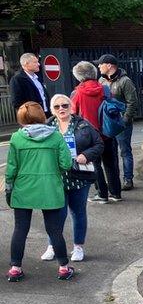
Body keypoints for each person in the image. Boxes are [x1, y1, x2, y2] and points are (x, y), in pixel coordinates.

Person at [6, 102, 73, 282]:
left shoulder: (16, 138)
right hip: (50, 188)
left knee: (20, 229)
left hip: (23, 187)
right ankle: (64, 268)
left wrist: (9, 186)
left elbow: (11, 168)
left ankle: (15, 268)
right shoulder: (56, 137)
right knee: (54, 230)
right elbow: (66, 164)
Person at [40, 93, 103, 263]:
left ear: (71, 107)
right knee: (56, 215)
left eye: (65, 105)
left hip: (78, 177)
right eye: (57, 107)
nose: (61, 109)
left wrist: (86, 155)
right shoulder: (47, 127)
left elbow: (99, 144)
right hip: (56, 178)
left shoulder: (83, 124)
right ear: (52, 110)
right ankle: (52, 246)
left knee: (78, 213)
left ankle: (78, 247)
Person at [68, 61, 116, 205]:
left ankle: (102, 194)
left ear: (79, 77)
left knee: (95, 164)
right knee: (111, 163)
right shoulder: (105, 89)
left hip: (89, 135)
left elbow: (72, 114)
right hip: (107, 131)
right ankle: (116, 192)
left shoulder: (77, 93)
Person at [97, 54, 138, 191]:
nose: (98, 66)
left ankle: (128, 179)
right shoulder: (101, 81)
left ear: (109, 65)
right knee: (110, 152)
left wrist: (125, 120)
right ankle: (114, 181)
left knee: (125, 150)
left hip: (121, 123)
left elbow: (132, 102)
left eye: (100, 64)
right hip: (108, 123)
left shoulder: (125, 81)